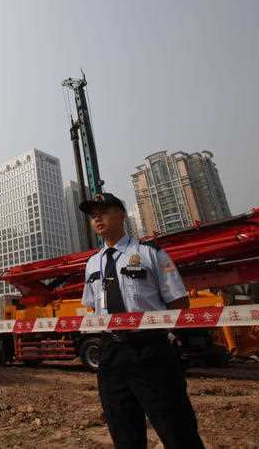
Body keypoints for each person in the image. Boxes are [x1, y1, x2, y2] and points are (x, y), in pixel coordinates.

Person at [79, 192, 204, 449]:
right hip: (111, 353)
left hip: (151, 350)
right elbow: (92, 308)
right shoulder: (92, 263)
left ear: (121, 213)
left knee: (176, 428)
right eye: (93, 215)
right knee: (123, 431)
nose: (97, 218)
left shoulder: (149, 253)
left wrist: (167, 336)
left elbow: (178, 301)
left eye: (104, 211)